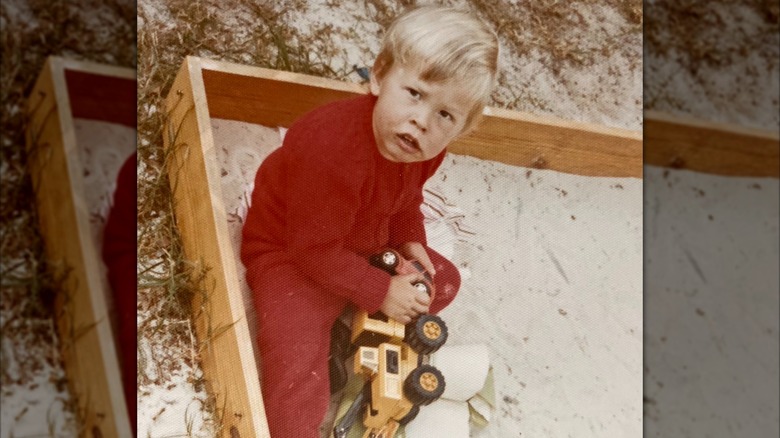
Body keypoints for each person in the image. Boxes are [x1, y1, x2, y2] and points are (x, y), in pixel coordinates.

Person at [240, 5, 499, 437]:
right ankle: (326, 342)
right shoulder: (329, 150)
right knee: (295, 367)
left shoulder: (424, 148)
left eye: (445, 116)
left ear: (461, 128)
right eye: (415, 93)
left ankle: (346, 327)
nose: (422, 120)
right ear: (379, 76)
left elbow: (404, 200)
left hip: (356, 243)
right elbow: (311, 252)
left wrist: (412, 243)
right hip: (291, 253)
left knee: (441, 282)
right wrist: (378, 290)